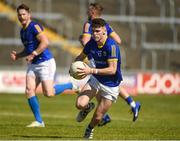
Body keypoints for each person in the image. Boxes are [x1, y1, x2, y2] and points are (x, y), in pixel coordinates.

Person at [10, 4, 78, 128]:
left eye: (24, 14)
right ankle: (39, 121)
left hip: (45, 62)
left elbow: (45, 42)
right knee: (29, 90)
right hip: (33, 64)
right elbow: (28, 49)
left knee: (49, 93)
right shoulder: (22, 31)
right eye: (19, 15)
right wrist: (18, 55)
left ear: (29, 14)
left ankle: (71, 85)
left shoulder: (34, 26)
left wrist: (34, 54)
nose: (21, 17)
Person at [79, 3, 141, 125]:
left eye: (91, 10)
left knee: (100, 84)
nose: (88, 11)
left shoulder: (89, 24)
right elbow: (118, 40)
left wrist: (84, 40)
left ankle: (102, 114)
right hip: (106, 56)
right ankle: (132, 104)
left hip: (94, 57)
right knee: (107, 83)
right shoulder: (105, 26)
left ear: (94, 12)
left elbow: (86, 42)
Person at [74, 18, 124, 139]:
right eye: (93, 31)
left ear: (104, 31)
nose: (94, 34)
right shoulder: (91, 43)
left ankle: (90, 128)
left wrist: (90, 70)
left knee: (98, 117)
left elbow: (112, 70)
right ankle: (87, 107)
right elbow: (81, 57)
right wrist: (73, 68)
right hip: (96, 80)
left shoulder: (111, 46)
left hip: (111, 85)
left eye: (97, 31)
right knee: (80, 104)